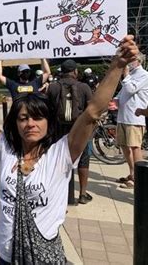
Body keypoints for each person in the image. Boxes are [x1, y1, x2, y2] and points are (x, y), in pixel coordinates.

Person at [0, 35, 138, 264]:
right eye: (23, 118)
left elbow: (92, 113)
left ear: (48, 122)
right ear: (15, 123)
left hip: (43, 258)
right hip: (6, 256)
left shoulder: (61, 154)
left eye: (37, 118)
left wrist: (117, 65)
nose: (30, 124)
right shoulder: (6, 149)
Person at [47, 59, 93, 205]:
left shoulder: (53, 87)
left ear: (61, 71)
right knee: (83, 160)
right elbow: (91, 109)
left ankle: (60, 193)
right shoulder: (84, 87)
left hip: (59, 130)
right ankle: (83, 194)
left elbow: (48, 109)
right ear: (75, 71)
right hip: (79, 130)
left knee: (60, 160)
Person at [114, 52, 148, 189]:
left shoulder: (145, 75)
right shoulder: (131, 75)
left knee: (135, 147)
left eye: (132, 60)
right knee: (124, 145)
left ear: (139, 61)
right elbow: (123, 91)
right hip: (123, 116)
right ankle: (132, 172)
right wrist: (116, 99)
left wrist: (125, 73)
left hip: (135, 118)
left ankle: (139, 177)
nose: (129, 63)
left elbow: (130, 88)